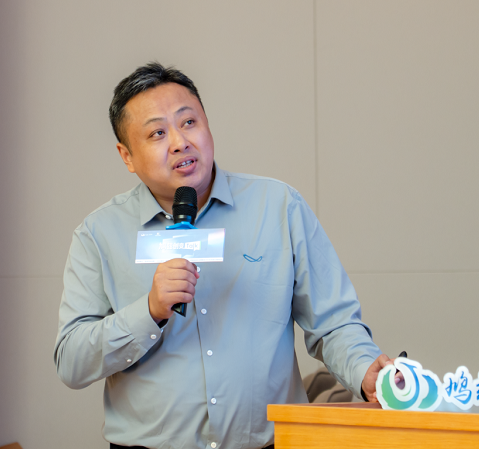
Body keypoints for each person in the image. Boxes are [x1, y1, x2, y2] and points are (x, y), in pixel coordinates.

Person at [54, 62, 400, 449]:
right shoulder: (98, 234)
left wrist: (365, 370)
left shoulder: (277, 206)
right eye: (157, 133)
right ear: (127, 156)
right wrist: (149, 311)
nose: (180, 142)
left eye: (189, 122)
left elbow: (333, 324)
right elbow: (72, 361)